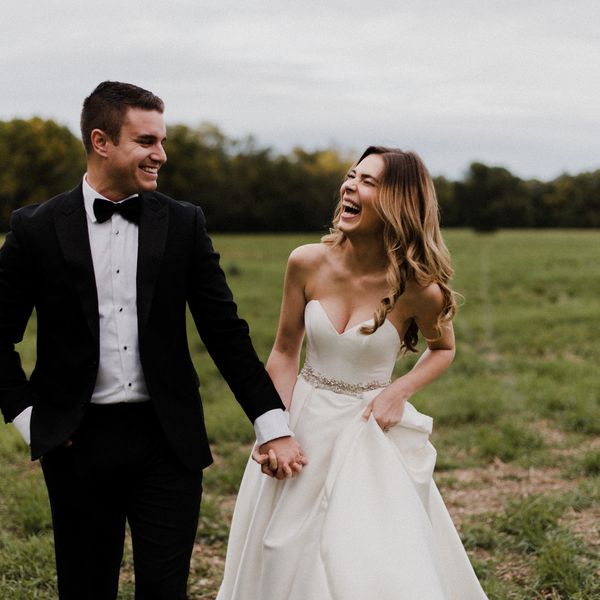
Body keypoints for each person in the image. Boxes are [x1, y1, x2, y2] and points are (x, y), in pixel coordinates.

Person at [0, 81, 307, 600]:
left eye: (161, 141)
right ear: (101, 142)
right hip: (76, 443)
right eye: (146, 141)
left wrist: (272, 424)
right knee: (85, 587)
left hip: (168, 441)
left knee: (166, 591)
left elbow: (225, 333)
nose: (160, 154)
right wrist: (34, 423)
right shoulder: (36, 228)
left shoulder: (184, 223)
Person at [217, 147, 488, 599]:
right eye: (350, 176)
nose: (349, 186)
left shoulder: (420, 289)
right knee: (279, 548)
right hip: (301, 422)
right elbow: (285, 351)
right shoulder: (306, 262)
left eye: (368, 182)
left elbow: (443, 350)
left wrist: (398, 391)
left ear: (399, 202)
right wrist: (273, 427)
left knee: (357, 555)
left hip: (366, 433)